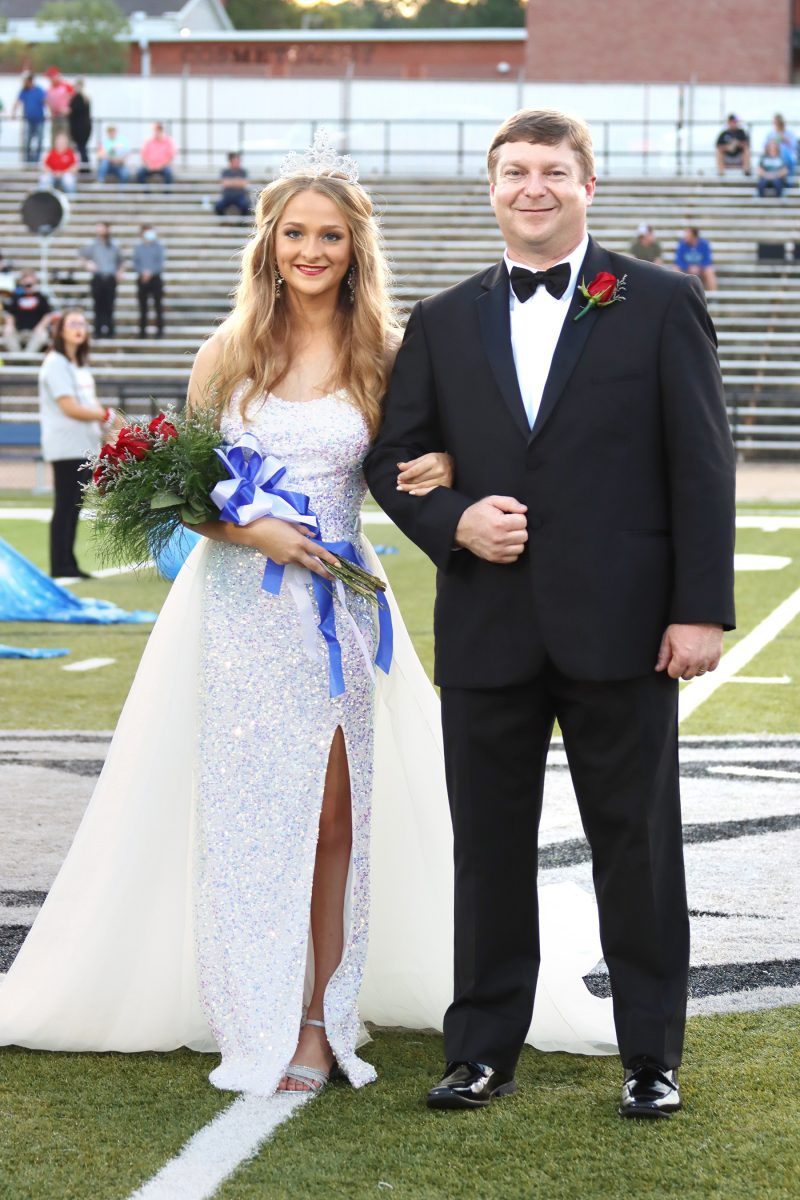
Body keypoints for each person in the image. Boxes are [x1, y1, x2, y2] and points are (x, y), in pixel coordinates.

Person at [0, 134, 618, 1100]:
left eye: (330, 234)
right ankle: (249, 1006)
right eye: (296, 233)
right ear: (271, 242)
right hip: (240, 612)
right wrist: (256, 537)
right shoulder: (227, 350)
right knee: (250, 819)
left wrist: (443, 472)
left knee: (335, 818)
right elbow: (173, 494)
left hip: (340, 608)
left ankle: (317, 1020)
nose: (313, 250)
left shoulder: (387, 353)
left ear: (354, 246)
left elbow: (435, 454)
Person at [365, 107, 736, 1119]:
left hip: (623, 625)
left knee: (637, 845)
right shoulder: (440, 320)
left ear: (587, 185)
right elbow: (391, 459)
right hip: (487, 621)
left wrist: (698, 610)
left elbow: (701, 466)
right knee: (485, 848)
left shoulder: (657, 301)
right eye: (514, 171)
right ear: (490, 186)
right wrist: (451, 520)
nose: (532, 187)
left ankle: (650, 1054)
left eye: (552, 171)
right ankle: (480, 1048)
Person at [37, 310, 119, 578]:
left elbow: (89, 403)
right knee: (65, 504)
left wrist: (106, 427)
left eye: (82, 323)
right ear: (60, 331)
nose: (79, 328)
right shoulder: (56, 363)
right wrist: (105, 415)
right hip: (66, 445)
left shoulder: (78, 365)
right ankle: (60, 565)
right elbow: (70, 407)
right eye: (72, 324)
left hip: (83, 444)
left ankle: (68, 563)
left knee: (75, 505)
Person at [79, 222, 124, 338]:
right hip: (98, 278)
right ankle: (98, 330)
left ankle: (110, 330)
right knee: (98, 306)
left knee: (109, 305)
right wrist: (87, 264)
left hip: (110, 278)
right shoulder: (93, 244)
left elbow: (121, 260)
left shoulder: (114, 245)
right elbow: (82, 256)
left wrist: (120, 272)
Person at [3, 269, 55, 353]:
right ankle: (18, 357)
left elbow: (47, 315)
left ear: (35, 282)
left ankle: (27, 356)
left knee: (43, 335)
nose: (28, 287)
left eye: (30, 284)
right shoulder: (16, 297)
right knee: (7, 332)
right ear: (21, 283)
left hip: (34, 333)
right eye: (26, 284)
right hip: (18, 332)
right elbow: (10, 314)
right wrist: (10, 325)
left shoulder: (41, 297)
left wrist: (40, 327)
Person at [132, 224, 165, 338]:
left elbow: (160, 263)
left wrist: (150, 272)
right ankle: (142, 331)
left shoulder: (158, 247)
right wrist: (143, 272)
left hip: (155, 279)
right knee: (143, 307)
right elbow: (135, 263)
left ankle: (160, 331)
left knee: (158, 306)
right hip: (142, 279)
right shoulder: (138, 248)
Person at [13, 73, 47, 164]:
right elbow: (17, 102)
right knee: (27, 141)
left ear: (30, 80)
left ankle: (36, 161)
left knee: (39, 141)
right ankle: (27, 161)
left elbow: (45, 102)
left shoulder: (39, 90)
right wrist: (14, 113)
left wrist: (50, 113)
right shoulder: (24, 91)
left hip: (39, 120)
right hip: (28, 120)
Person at [673, 226, 718, 292]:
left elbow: (707, 260)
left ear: (694, 236)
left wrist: (699, 267)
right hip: (686, 269)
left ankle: (714, 297)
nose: (685, 236)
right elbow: (678, 261)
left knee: (709, 271)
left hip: (701, 269)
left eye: (687, 234)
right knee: (676, 269)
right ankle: (675, 294)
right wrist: (688, 267)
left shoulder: (704, 244)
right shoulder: (682, 244)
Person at [136, 122, 176, 188]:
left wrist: (161, 165)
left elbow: (171, 156)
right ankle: (146, 193)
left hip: (163, 167)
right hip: (150, 166)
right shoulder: (148, 141)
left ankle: (167, 195)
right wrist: (148, 164)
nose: (157, 132)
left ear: (162, 131)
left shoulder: (168, 141)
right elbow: (143, 155)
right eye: (155, 131)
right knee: (140, 173)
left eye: (158, 130)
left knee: (168, 173)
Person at [214, 151, 252, 216]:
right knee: (218, 206)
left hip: (240, 197)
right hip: (227, 197)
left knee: (246, 205)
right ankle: (223, 222)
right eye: (236, 160)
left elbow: (244, 183)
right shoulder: (225, 171)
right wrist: (237, 181)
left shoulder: (243, 171)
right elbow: (225, 183)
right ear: (231, 161)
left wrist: (231, 182)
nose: (238, 162)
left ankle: (242, 224)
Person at [44, 67, 74, 146]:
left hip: (65, 117)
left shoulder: (66, 86)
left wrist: (69, 109)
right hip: (55, 117)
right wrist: (51, 112)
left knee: (65, 137)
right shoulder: (49, 89)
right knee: (54, 138)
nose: (50, 79)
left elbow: (74, 98)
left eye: (51, 77)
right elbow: (49, 102)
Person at [68, 79, 92, 173]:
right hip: (84, 127)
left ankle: (85, 168)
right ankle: (84, 167)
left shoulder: (78, 98)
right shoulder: (85, 98)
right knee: (82, 148)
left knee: (81, 148)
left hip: (80, 128)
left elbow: (71, 111)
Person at [764, 114, 796, 180]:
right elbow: (765, 147)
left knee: (784, 151)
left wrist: (785, 139)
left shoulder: (789, 133)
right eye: (775, 123)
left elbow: (794, 146)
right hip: (774, 156)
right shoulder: (771, 134)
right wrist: (773, 142)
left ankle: (787, 178)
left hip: (787, 157)